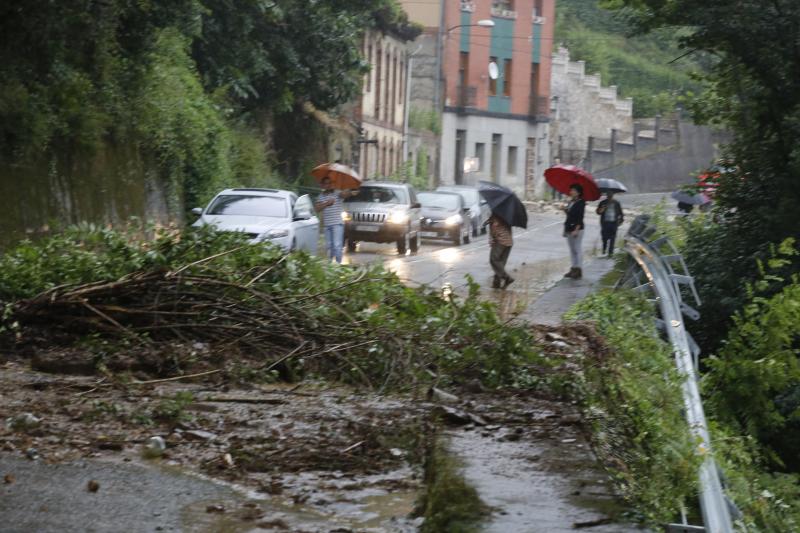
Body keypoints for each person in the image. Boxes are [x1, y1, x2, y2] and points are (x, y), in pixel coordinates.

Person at [314, 176, 355, 263]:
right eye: (326, 183)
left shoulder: (337, 193)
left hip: (337, 224)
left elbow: (346, 194)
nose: (328, 185)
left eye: (330, 183)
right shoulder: (320, 196)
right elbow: (317, 209)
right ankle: (329, 266)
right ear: (322, 185)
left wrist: (349, 187)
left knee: (337, 245)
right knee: (329, 246)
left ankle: (338, 264)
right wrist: (327, 203)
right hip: (327, 225)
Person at [563, 183, 585, 279]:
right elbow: (570, 215)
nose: (571, 192)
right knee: (572, 250)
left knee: (577, 249)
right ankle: (573, 269)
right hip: (569, 228)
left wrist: (576, 229)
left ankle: (578, 269)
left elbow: (580, 217)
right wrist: (565, 210)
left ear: (578, 193)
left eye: (573, 191)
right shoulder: (571, 201)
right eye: (571, 190)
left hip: (577, 229)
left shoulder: (581, 203)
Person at [487, 214, 514, 289]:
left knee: (494, 259)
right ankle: (496, 283)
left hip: (501, 242)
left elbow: (494, 230)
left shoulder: (496, 216)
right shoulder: (508, 216)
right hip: (509, 242)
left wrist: (492, 239)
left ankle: (507, 278)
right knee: (500, 263)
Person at [596, 191, 624, 258]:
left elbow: (621, 214)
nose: (609, 195)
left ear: (613, 195)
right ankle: (604, 251)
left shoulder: (616, 203)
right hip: (605, 224)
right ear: (606, 195)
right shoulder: (602, 203)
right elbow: (598, 212)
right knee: (604, 239)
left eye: (611, 194)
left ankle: (610, 254)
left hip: (614, 224)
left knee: (612, 239)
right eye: (608, 194)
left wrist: (620, 222)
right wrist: (602, 209)